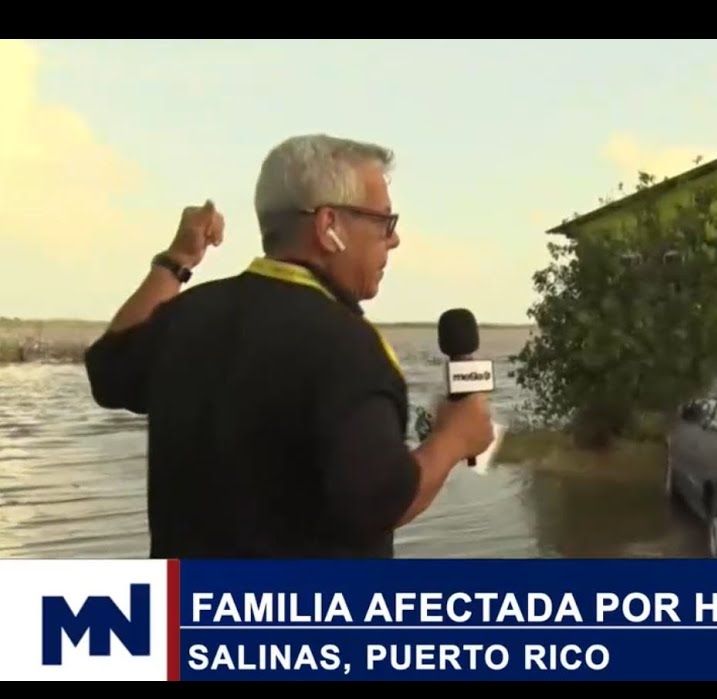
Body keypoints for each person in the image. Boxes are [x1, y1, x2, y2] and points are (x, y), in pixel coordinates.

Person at [84, 134, 495, 559]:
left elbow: (110, 370)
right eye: (383, 222)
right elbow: (380, 503)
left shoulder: (186, 315)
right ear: (328, 227)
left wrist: (177, 259)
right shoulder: (347, 346)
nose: (393, 240)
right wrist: (452, 439)